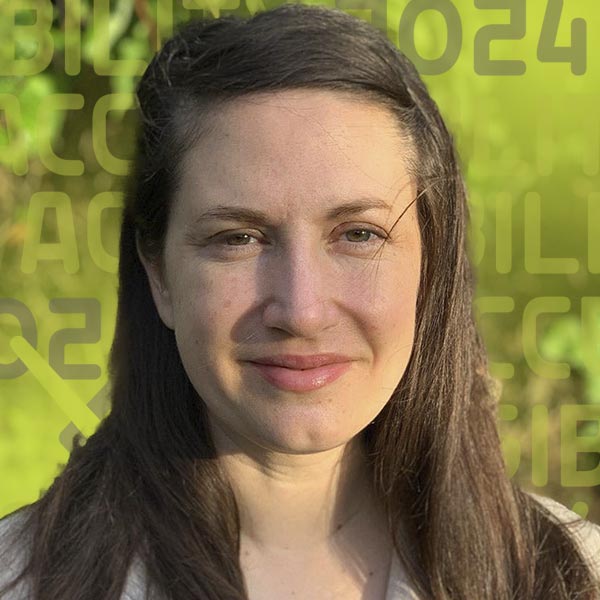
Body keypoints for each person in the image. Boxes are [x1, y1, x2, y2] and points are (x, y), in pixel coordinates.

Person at [1, 4, 599, 599]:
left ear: (431, 261)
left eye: (358, 234)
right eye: (238, 238)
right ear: (158, 274)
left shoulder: (577, 578)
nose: (302, 310)